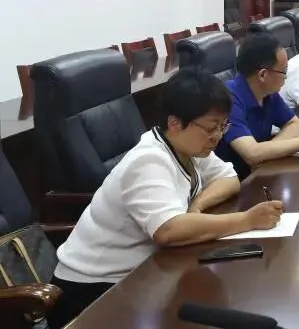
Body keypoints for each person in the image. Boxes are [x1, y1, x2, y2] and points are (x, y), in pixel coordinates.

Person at [48, 69, 284, 328]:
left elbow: (228, 178)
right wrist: (247, 220)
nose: (218, 136)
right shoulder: (149, 160)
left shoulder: (188, 148)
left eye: (222, 126)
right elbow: (168, 230)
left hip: (143, 273)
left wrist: (197, 205)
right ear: (175, 123)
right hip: (92, 292)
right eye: (211, 127)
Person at [216, 33, 299, 178]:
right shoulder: (229, 98)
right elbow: (251, 153)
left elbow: (295, 125)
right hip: (235, 181)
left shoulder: (268, 92)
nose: (286, 76)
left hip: (261, 172)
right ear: (263, 75)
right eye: (283, 71)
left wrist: (266, 155)